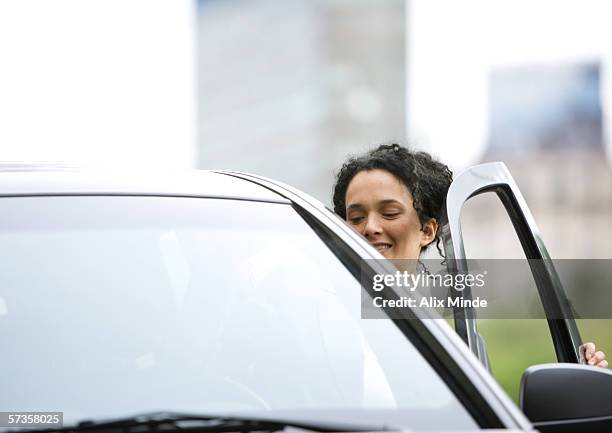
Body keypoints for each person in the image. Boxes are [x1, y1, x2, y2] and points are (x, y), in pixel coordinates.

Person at [332, 143, 608, 368]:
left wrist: (580, 384)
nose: (369, 227)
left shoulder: (460, 343)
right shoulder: (323, 314)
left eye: (389, 213)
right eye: (355, 217)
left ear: (428, 230)